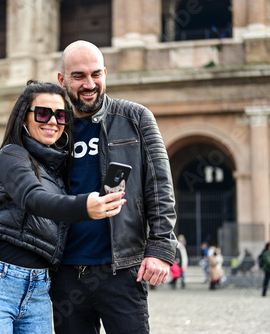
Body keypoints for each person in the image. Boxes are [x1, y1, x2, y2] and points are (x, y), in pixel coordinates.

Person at [0, 80, 125, 334]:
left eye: (61, 115)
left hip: (38, 287)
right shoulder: (12, 155)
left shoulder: (57, 168)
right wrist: (85, 206)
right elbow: (33, 198)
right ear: (24, 118)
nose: (53, 121)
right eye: (43, 113)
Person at [50, 40, 177, 333]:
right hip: (64, 272)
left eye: (96, 74)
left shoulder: (135, 118)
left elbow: (159, 185)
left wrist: (159, 249)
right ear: (61, 79)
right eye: (78, 76)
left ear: (105, 73)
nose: (89, 84)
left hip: (121, 269)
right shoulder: (52, 128)